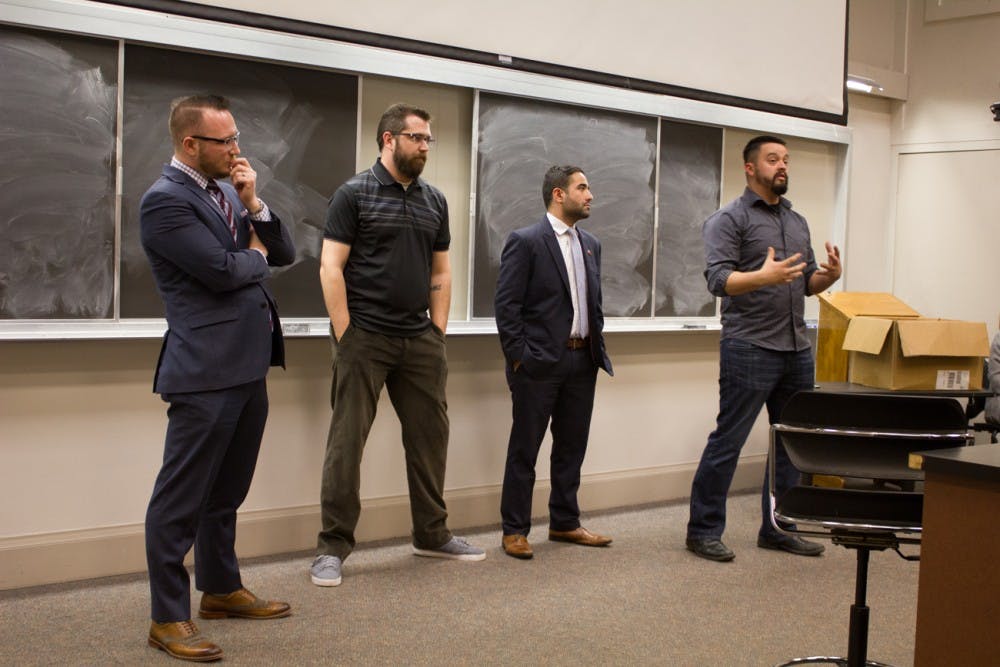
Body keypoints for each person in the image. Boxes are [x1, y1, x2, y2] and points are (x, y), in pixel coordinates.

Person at [141, 95, 295, 661]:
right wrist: (254, 251)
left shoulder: (227, 192)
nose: (236, 150)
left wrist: (254, 203)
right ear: (190, 145)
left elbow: (285, 249)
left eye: (235, 138)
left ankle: (222, 589)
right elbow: (226, 271)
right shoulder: (164, 202)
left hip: (248, 364)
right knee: (180, 498)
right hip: (204, 370)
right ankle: (167, 617)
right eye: (224, 141)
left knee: (226, 491)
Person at [311, 103, 485, 586]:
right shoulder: (353, 194)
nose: (425, 146)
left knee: (431, 438)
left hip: (419, 339)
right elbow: (331, 267)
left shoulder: (435, 201)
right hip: (364, 337)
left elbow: (441, 270)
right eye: (417, 138)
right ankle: (332, 547)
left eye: (429, 139)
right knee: (347, 444)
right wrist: (346, 333)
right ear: (389, 140)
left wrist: (438, 330)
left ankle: (431, 534)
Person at [685, 135, 842, 563]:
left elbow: (807, 283)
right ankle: (703, 530)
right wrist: (761, 277)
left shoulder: (797, 222)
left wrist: (828, 276)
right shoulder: (728, 219)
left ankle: (779, 527)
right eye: (773, 160)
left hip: (795, 347)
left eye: (786, 160)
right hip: (749, 345)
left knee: (791, 444)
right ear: (750, 168)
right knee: (728, 441)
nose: (782, 166)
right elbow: (719, 280)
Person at [494, 165, 614, 559]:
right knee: (525, 449)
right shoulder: (526, 241)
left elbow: (591, 305)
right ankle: (514, 529)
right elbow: (507, 306)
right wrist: (519, 360)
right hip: (539, 365)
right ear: (558, 195)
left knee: (571, 447)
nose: (590, 195)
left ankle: (564, 522)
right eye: (582, 187)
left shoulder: (591, 243)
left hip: (583, 361)